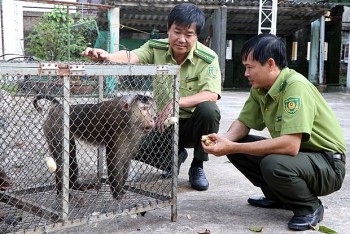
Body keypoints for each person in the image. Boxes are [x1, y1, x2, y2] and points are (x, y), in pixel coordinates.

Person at [202, 33, 346, 231]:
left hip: (328, 165)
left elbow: (290, 145)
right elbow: (243, 123)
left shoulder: (295, 86)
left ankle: (309, 207)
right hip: (303, 159)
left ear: (270, 64)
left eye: (250, 67)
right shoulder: (260, 88)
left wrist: (233, 146)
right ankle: (279, 197)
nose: (246, 73)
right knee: (238, 149)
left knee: (273, 163)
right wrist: (223, 142)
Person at [82, 3, 221, 191]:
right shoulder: (156, 47)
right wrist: (108, 56)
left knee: (209, 111)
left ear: (196, 36)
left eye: (188, 35)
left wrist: (175, 103)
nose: (181, 39)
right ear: (168, 30)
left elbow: (212, 94)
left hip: (193, 126)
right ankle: (172, 157)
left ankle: (198, 165)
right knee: (127, 144)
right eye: (177, 32)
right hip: (163, 124)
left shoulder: (208, 57)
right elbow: (133, 55)